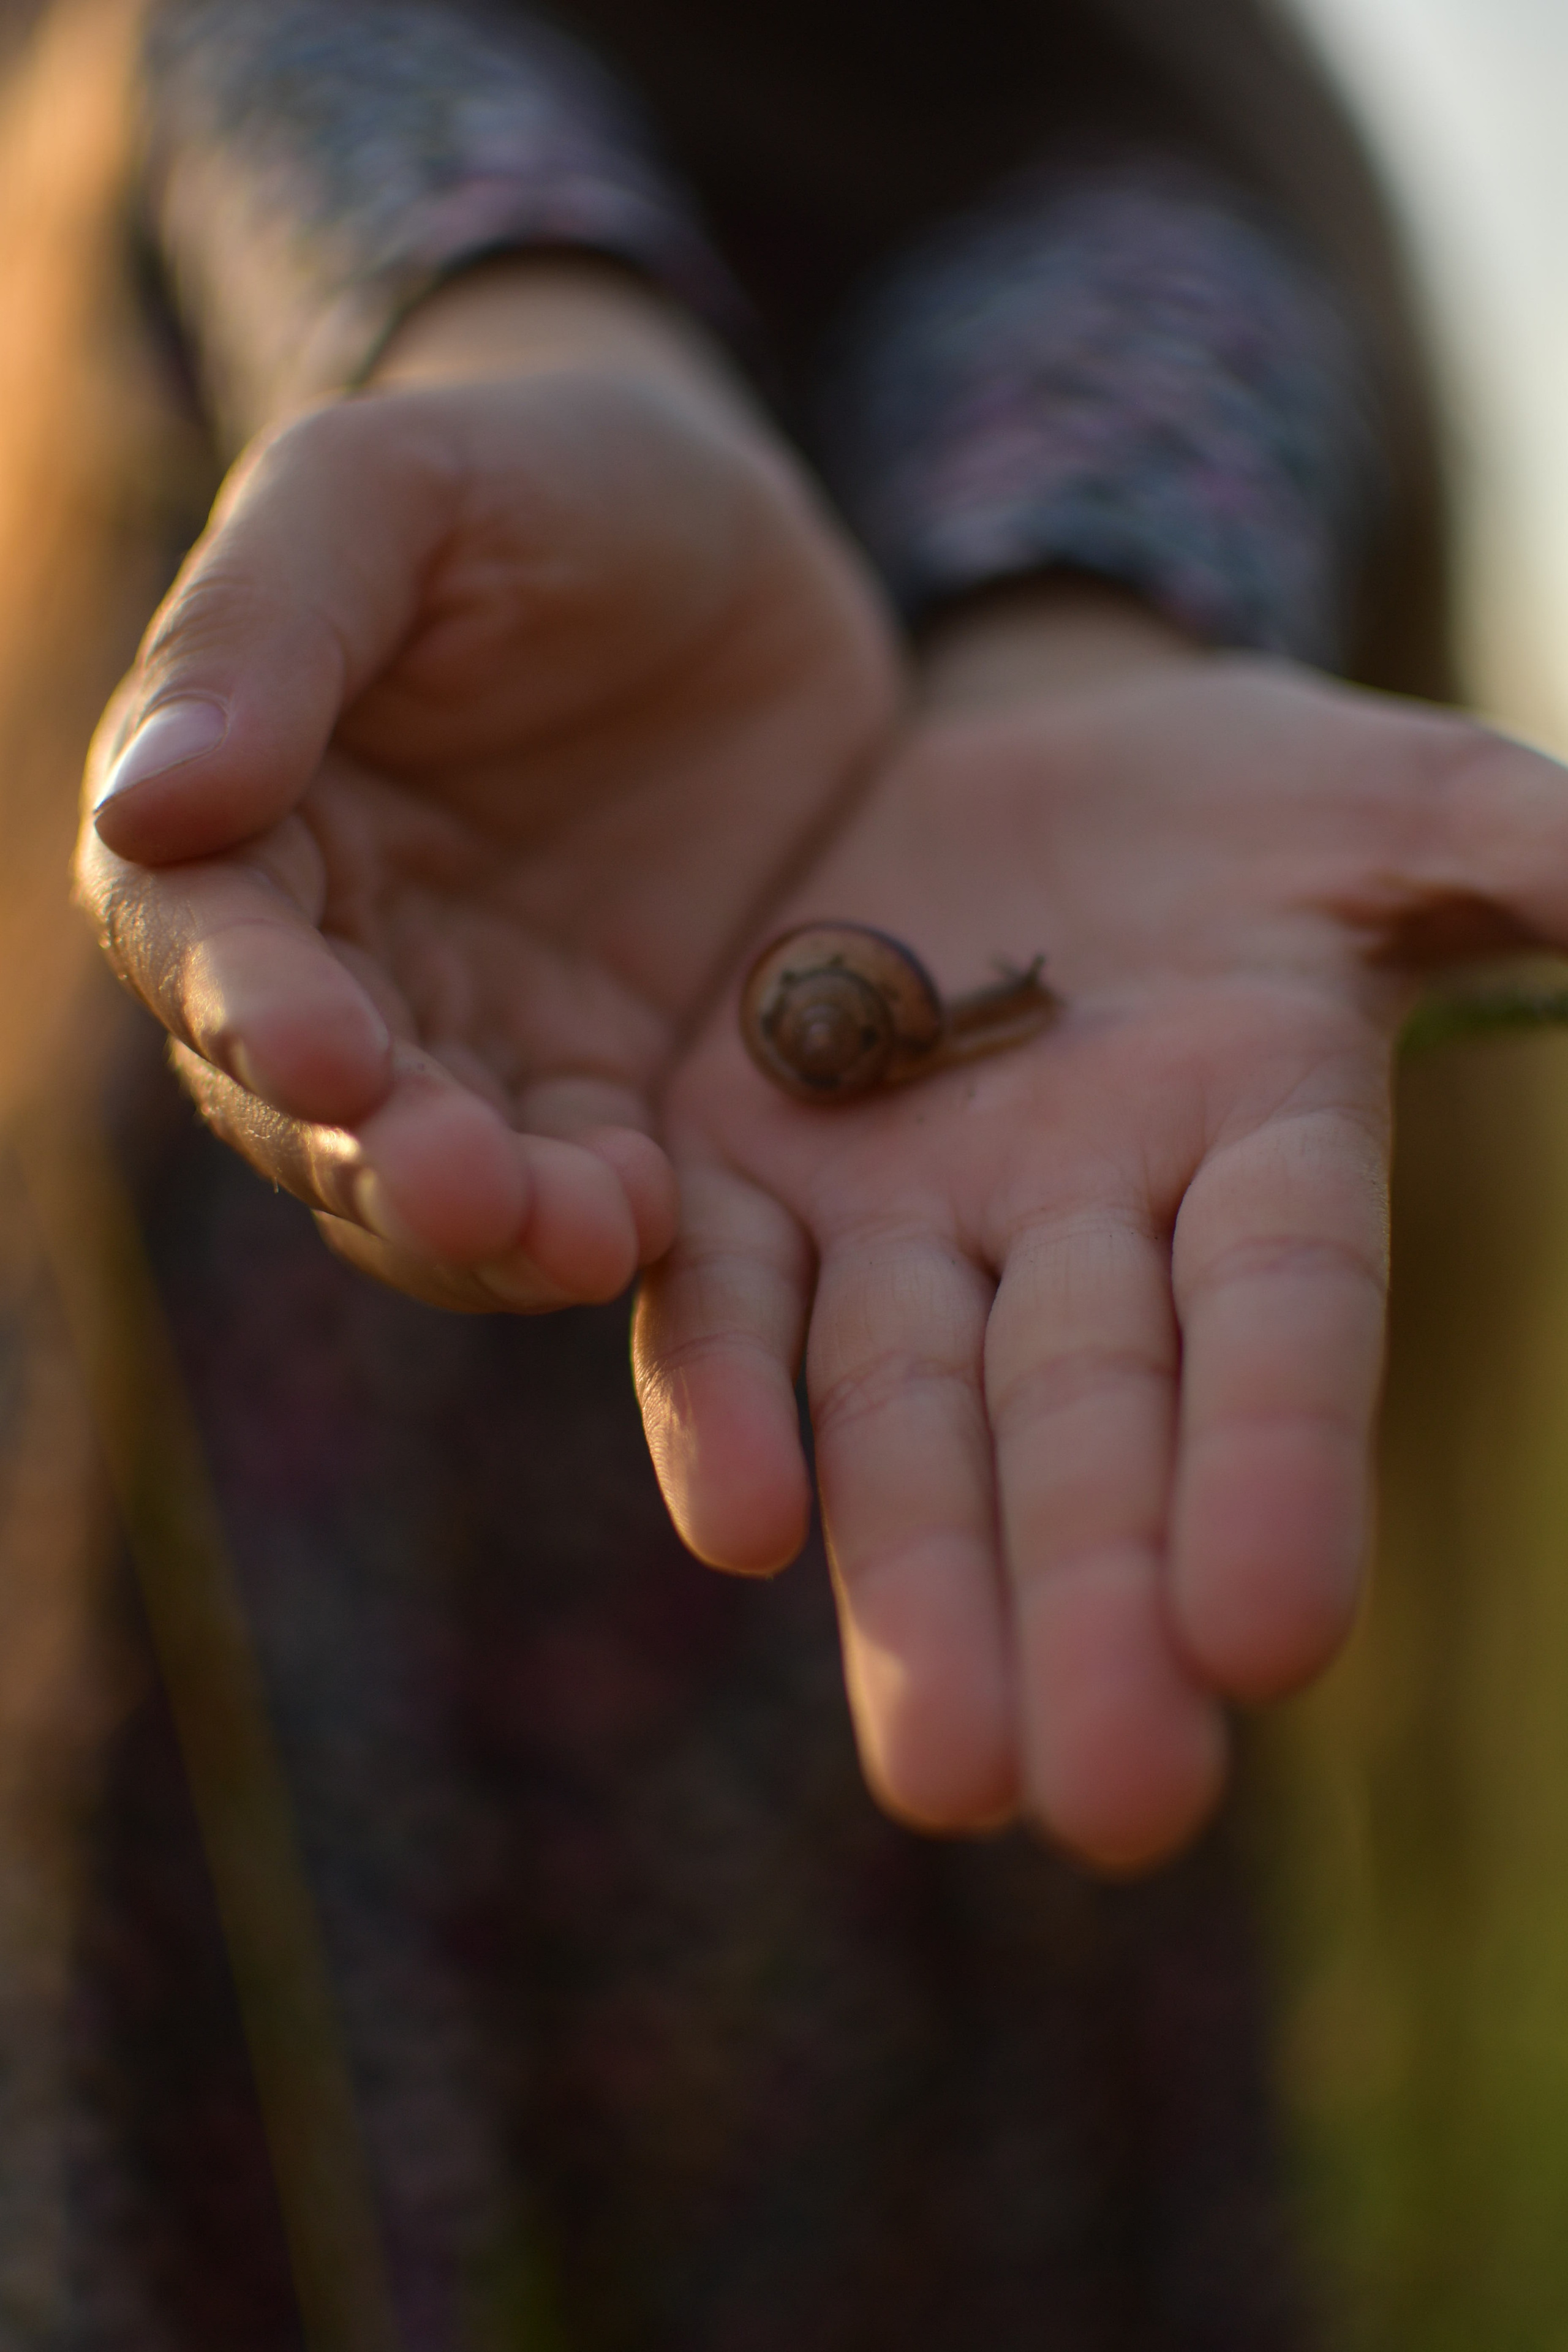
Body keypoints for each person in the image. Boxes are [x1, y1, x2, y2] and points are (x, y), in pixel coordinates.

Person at [11, 0, 1568, 2335]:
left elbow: (1145, 278)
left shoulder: (1151, 160)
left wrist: (1080, 609)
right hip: (334, 1445)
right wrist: (504, 315)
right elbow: (315, 70)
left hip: (840, 1513)